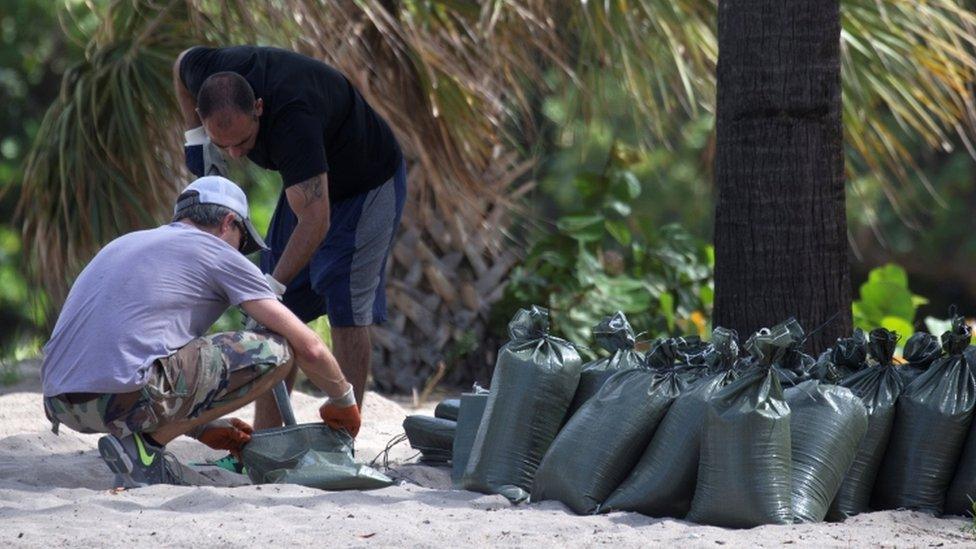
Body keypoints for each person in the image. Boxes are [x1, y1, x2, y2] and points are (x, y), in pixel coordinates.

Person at [41, 176, 361, 488]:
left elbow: (134, 348)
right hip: (118, 399)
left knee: (171, 360)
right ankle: (143, 450)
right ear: (228, 223)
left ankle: (140, 444)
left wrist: (200, 426)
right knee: (277, 351)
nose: (240, 252)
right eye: (242, 241)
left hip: (61, 404)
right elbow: (310, 348)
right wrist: (343, 400)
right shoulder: (216, 249)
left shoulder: (124, 243)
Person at [173, 45, 406, 428]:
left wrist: (271, 287)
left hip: (367, 183)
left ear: (259, 108)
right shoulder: (205, 72)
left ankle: (343, 439)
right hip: (310, 185)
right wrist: (196, 138)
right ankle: (266, 437)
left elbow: (317, 220)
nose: (232, 154)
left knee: (343, 298)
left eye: (242, 143)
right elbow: (180, 64)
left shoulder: (292, 120)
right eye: (222, 144)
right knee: (278, 315)